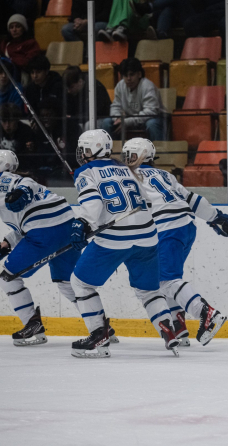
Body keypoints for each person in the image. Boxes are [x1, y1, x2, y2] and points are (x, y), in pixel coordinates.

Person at [69, 129, 178, 358]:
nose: (81, 153)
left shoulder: (85, 172)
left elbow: (93, 205)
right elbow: (147, 200)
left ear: (92, 150)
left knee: (80, 283)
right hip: (148, 236)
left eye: (84, 149)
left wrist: (83, 224)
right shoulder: (127, 168)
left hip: (115, 238)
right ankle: (168, 328)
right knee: (148, 290)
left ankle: (99, 337)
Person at [124, 138, 228, 346]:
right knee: (170, 279)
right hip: (186, 226)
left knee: (166, 280)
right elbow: (191, 199)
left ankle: (206, 313)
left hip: (165, 228)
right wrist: (216, 217)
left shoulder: (128, 176)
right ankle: (178, 325)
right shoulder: (165, 175)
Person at [0, 150, 81, 346]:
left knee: (7, 278)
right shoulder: (19, 186)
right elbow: (26, 223)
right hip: (67, 226)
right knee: (68, 283)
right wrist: (4, 245)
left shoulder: (1, 180)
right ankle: (100, 327)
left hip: (45, 233)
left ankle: (33, 326)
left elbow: (28, 183)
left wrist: (23, 190)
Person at [103, 58, 168, 141]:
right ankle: (113, 151)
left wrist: (127, 122)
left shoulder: (148, 86)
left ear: (139, 74)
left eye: (131, 75)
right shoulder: (120, 86)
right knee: (106, 122)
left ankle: (160, 151)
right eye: (125, 75)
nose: (128, 79)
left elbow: (151, 112)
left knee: (152, 124)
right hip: (130, 119)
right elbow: (115, 106)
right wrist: (117, 119)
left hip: (153, 118)